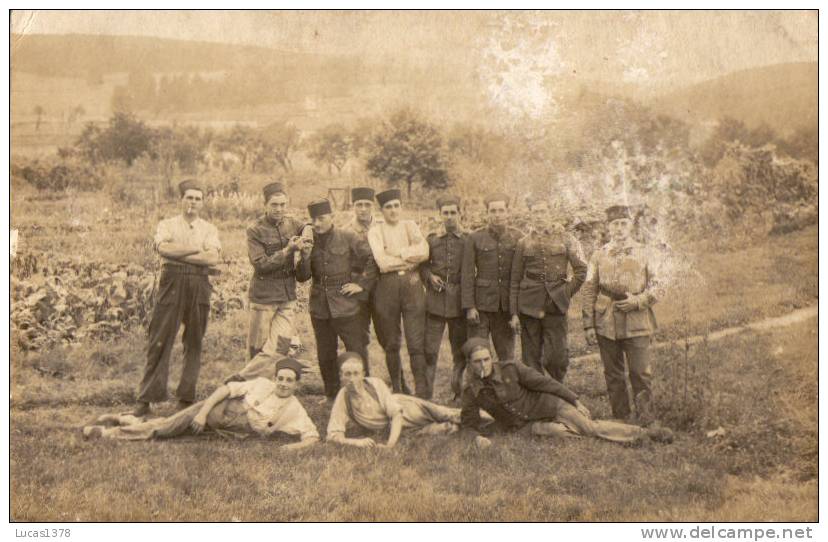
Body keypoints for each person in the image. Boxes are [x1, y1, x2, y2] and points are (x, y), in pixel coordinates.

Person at [459, 338, 672, 447]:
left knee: (589, 428)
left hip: (552, 406)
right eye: (477, 361)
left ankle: (644, 434)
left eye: (486, 359)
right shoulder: (470, 391)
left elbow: (545, 383)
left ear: (491, 358)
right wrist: (477, 438)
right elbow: (468, 424)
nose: (482, 365)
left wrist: (574, 400)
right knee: (561, 435)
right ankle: (611, 434)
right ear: (469, 363)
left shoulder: (511, 368)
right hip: (528, 425)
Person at [86, 358, 319, 450]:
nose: (283, 384)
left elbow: (312, 436)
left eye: (289, 380)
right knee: (168, 429)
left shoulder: (294, 409)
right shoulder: (260, 383)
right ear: (275, 378)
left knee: (175, 429)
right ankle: (109, 433)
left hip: (233, 431)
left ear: (297, 384)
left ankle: (129, 420)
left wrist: (292, 448)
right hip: (219, 410)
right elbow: (224, 390)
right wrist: (203, 413)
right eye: (280, 378)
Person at [134, 180, 222, 417]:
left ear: (202, 202)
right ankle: (146, 399)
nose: (193, 202)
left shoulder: (209, 229)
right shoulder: (167, 224)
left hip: (199, 284)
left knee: (194, 340)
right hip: (172, 282)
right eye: (189, 197)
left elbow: (212, 259)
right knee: (160, 339)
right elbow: (164, 250)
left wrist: (182, 252)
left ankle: (185, 398)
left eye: (197, 198)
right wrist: (196, 250)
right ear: (181, 200)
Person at [581, 204, 662, 424]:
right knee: (613, 373)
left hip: (637, 319)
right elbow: (589, 288)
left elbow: (658, 286)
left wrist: (637, 301)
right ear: (608, 228)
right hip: (606, 320)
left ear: (630, 226)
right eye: (614, 224)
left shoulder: (646, 252)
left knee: (640, 371)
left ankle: (646, 417)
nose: (619, 228)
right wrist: (589, 324)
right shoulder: (598, 255)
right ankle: (621, 418)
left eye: (623, 223)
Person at [295, 198, 378, 399]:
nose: (317, 223)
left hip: (346, 304)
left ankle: (362, 391)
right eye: (313, 219)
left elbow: (371, 259)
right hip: (320, 307)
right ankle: (331, 395)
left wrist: (360, 284)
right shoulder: (308, 241)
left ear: (332, 217)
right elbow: (302, 277)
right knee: (325, 354)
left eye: (321, 218)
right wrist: (304, 256)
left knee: (356, 350)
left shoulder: (348, 237)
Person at [509, 196, 587, 382]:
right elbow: (515, 279)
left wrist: (566, 293)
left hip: (556, 303)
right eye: (535, 212)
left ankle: (558, 389)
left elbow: (582, 270)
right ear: (531, 215)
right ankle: (538, 396)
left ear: (551, 213)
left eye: (543, 211)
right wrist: (514, 313)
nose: (539, 216)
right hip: (528, 304)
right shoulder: (523, 242)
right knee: (530, 358)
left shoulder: (567, 239)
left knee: (557, 358)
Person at [326, 352, 467, 449]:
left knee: (449, 414)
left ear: (363, 374)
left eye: (356, 374)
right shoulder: (343, 397)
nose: (352, 379)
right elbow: (333, 435)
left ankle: (486, 420)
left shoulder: (375, 384)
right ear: (341, 376)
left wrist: (390, 445)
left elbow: (396, 415)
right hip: (397, 428)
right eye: (347, 374)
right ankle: (467, 430)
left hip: (407, 409)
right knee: (446, 428)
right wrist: (356, 442)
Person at [366, 188, 430, 396]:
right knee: (392, 342)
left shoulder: (410, 226)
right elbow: (382, 263)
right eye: (388, 207)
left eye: (396, 206)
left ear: (401, 207)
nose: (393, 210)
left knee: (415, 341)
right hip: (387, 287)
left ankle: (421, 390)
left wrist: (399, 253)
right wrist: (409, 258)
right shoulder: (376, 231)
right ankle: (398, 388)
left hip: (412, 285)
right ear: (381, 210)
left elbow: (424, 252)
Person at [244, 182, 310, 361]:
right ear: (265, 204)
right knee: (257, 349)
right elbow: (260, 264)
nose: (279, 209)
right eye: (274, 204)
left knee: (281, 347)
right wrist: (288, 250)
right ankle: (249, 385)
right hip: (263, 297)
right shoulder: (255, 230)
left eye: (282, 204)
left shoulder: (293, 223)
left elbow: (308, 228)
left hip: (287, 296)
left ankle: (276, 386)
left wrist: (307, 241)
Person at [461, 192, 523, 362]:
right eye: (493, 211)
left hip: (505, 309)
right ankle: (478, 388)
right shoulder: (475, 238)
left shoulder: (518, 237)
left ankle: (507, 388)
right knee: (477, 353)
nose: (497, 215)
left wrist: (515, 310)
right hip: (480, 308)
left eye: (501, 210)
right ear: (487, 213)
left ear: (507, 212)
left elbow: (521, 276)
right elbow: (466, 274)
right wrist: (469, 306)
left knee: (507, 358)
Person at [420, 195, 468, 399]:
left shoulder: (468, 239)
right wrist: (429, 277)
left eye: (453, 212)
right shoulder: (431, 239)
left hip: (459, 302)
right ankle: (426, 395)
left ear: (459, 213)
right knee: (429, 351)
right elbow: (421, 265)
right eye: (445, 213)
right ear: (439, 214)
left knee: (459, 351)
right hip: (435, 303)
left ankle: (458, 391)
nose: (449, 217)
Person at [343, 186, 382, 374]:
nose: (363, 209)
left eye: (367, 204)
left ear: (373, 206)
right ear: (353, 206)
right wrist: (357, 284)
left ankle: (399, 383)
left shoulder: (383, 227)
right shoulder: (345, 231)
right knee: (359, 336)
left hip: (383, 287)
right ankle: (364, 377)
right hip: (358, 288)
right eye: (359, 205)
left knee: (389, 336)